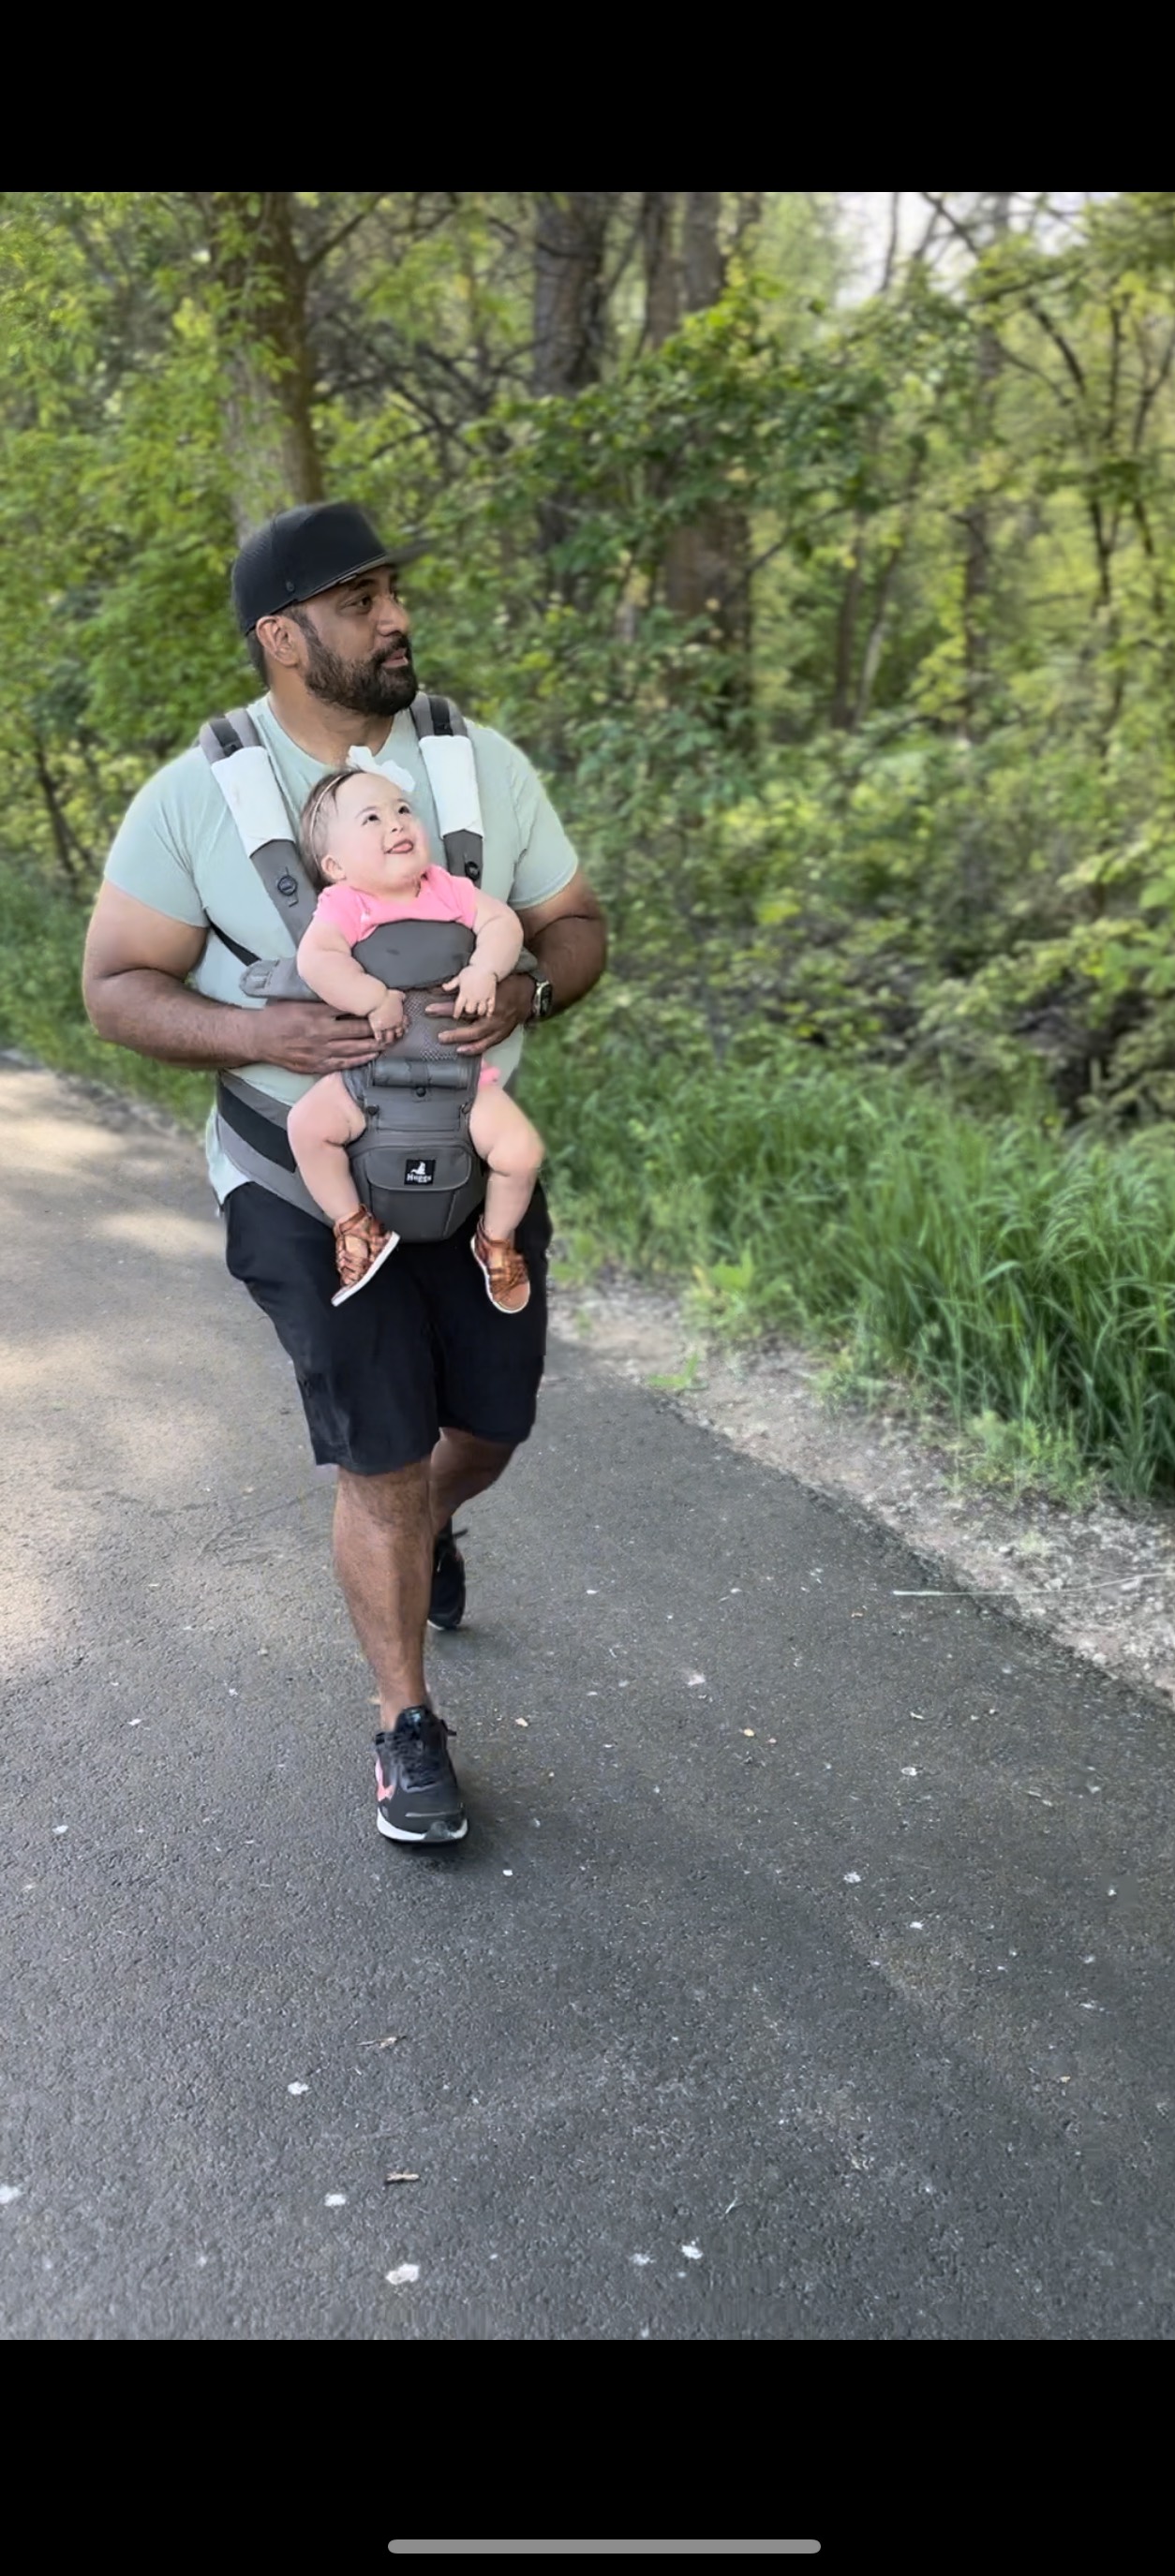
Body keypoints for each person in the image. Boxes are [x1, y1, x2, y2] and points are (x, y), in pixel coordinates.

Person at [82, 500, 607, 1846]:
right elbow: (115, 989)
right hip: (303, 1184)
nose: (396, 620)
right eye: (362, 599)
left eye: (394, 595)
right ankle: (404, 1728)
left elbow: (573, 925)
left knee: (485, 1428)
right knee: (378, 1456)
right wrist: (265, 1032)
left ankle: (425, 1529)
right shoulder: (195, 796)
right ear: (281, 633)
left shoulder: (476, 765)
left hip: (470, 1166)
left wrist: (533, 993)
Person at [289, 764, 545, 1313]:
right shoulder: (345, 906)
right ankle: (353, 1225)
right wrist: (368, 997)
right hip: (368, 1080)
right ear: (335, 866)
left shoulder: (449, 891)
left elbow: (503, 925)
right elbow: (317, 959)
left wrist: (484, 970)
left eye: (403, 810)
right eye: (372, 818)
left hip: (461, 1081)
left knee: (522, 1153)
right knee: (307, 1128)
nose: (397, 824)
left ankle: (496, 1240)